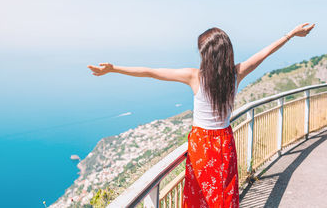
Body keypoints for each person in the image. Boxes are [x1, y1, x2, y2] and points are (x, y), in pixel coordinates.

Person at [87, 22, 315, 207]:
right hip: (224, 142)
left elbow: (151, 72)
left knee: (199, 197)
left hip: (201, 145)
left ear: (205, 54)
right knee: (223, 196)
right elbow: (266, 52)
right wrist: (291, 34)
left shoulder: (195, 76)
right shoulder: (236, 73)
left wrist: (113, 69)